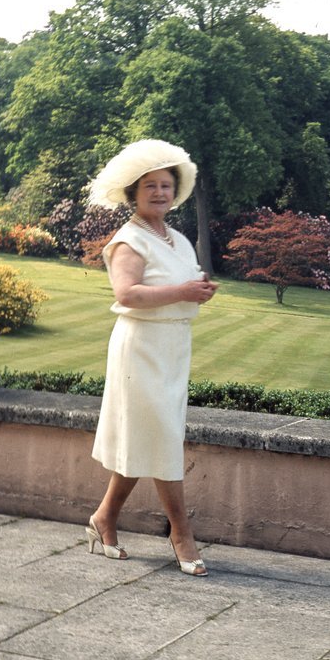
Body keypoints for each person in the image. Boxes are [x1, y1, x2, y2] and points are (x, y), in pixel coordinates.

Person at [85, 139, 218, 576]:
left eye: (165, 185)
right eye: (149, 186)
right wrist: (182, 292)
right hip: (140, 348)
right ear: (133, 193)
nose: (159, 192)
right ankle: (181, 534)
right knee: (161, 439)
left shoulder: (177, 239)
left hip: (173, 348)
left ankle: (104, 518)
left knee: (147, 439)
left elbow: (181, 285)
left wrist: (196, 290)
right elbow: (127, 294)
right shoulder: (128, 241)